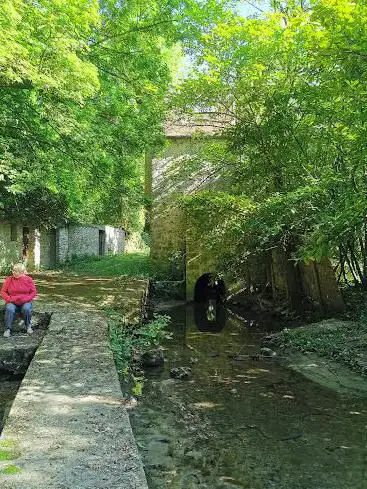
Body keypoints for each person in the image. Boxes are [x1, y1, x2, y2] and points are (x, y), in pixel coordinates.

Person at [1, 263, 37, 338]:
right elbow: (3, 292)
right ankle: (7, 329)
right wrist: (9, 299)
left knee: (26, 308)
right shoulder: (9, 279)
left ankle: (28, 326)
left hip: (25, 301)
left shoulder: (28, 279)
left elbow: (33, 292)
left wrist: (26, 299)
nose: (14, 272)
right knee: (9, 308)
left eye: (16, 271)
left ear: (22, 272)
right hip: (12, 301)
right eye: (13, 270)